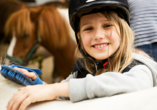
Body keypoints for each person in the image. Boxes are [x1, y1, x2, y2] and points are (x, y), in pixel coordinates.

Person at [6, 0, 157, 110]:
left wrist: (54, 89)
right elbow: (64, 93)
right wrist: (38, 85)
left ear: (123, 31)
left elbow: (138, 83)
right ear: (78, 36)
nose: (98, 35)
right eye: (88, 28)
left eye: (107, 25)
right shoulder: (82, 70)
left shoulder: (137, 64)